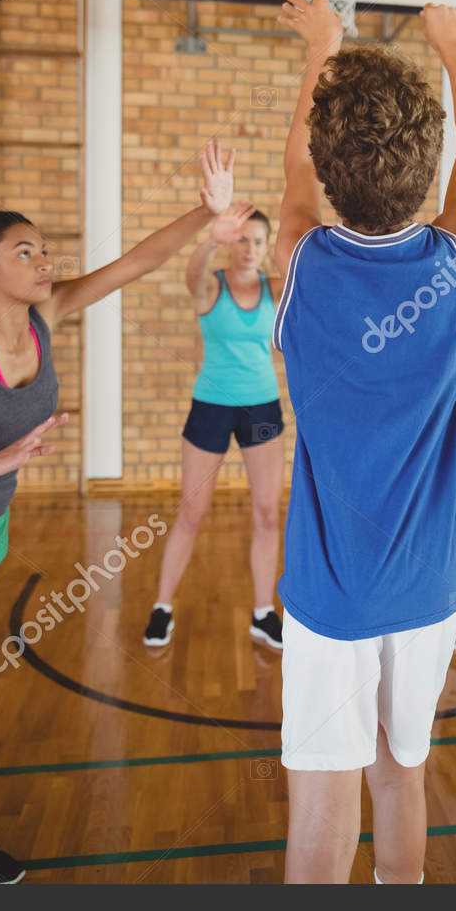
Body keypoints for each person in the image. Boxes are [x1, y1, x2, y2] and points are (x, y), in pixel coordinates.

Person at [0, 142, 246, 884]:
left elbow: (133, 263)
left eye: (44, 248)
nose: (45, 260)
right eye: (25, 250)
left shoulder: (47, 314)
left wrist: (210, 211)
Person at [272, 0, 456, 885]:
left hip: (333, 594)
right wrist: (454, 48)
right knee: (403, 775)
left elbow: (293, 171)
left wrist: (319, 48)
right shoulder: (454, 265)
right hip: (432, 587)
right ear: (426, 168)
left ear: (330, 171)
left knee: (322, 810)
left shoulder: (300, 262)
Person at [143, 179, 286, 650]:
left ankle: (264, 613)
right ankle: (162, 607)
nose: (250, 248)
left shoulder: (275, 288)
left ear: (267, 247)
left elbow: (310, 272)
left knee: (267, 513)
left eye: (258, 241)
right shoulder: (211, 287)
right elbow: (192, 273)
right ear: (232, 241)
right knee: (191, 512)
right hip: (211, 406)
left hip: (262, 407)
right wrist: (210, 238)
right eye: (243, 238)